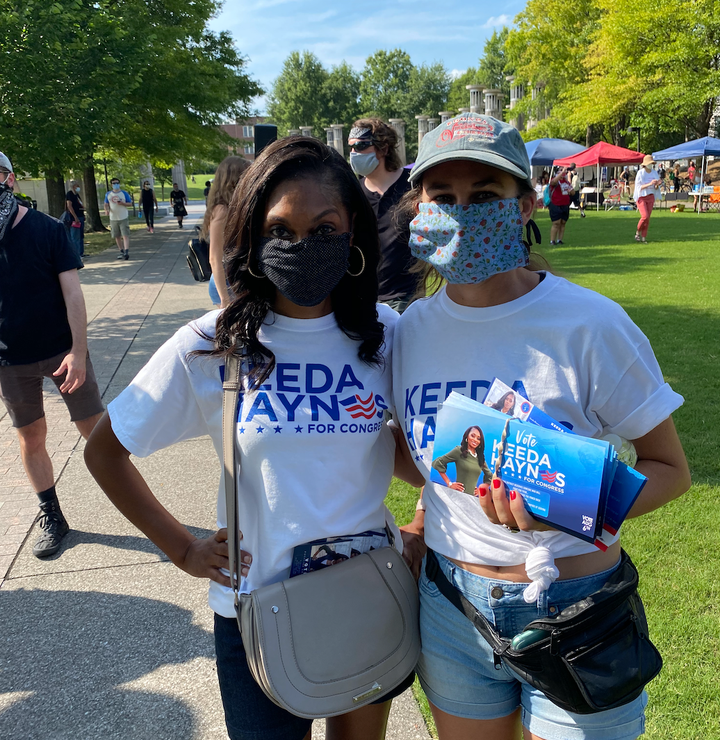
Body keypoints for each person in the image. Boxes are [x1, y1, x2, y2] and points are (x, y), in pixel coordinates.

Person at [84, 137, 424, 740]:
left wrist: (422, 520)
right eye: (280, 229)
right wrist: (182, 548)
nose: (302, 245)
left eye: (324, 228)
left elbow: (420, 452)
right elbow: (105, 450)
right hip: (254, 611)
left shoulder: (385, 333)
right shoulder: (212, 344)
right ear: (252, 236)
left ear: (353, 236)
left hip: (367, 590)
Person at [392, 113, 691, 740]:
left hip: (578, 609)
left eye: (484, 197)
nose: (462, 212)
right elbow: (424, 457)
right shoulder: (409, 331)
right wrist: (425, 515)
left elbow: (670, 471)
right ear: (419, 207)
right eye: (443, 198)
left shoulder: (590, 324)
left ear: (525, 203)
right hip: (451, 605)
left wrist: (570, 502)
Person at [0, 152, 104, 558]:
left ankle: (131, 499)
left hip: (63, 350)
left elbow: (73, 293)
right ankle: (52, 514)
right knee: (31, 436)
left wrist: (79, 352)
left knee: (94, 430)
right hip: (10, 359)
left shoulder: (47, 230)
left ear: (10, 180)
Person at [348, 118, 417, 313]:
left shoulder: (413, 188)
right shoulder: (353, 194)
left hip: (406, 298)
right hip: (364, 298)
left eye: (361, 146)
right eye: (351, 148)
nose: (354, 154)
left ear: (384, 148)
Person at [202, 155, 251, 308]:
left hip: (238, 281)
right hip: (227, 285)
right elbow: (215, 258)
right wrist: (225, 298)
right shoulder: (222, 210)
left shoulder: (237, 206)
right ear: (234, 179)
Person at [432, 426, 491, 495]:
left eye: (478, 438)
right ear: (467, 437)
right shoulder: (459, 451)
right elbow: (438, 463)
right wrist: (449, 483)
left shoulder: (480, 458)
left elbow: (490, 476)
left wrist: (481, 489)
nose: (475, 440)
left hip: (471, 499)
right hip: (458, 495)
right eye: (472, 436)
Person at [633, 155, 661, 243]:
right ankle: (637, 232)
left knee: (648, 218)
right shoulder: (640, 173)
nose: (650, 165)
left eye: (652, 163)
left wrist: (657, 184)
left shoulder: (654, 173)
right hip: (641, 197)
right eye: (649, 163)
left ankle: (644, 237)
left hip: (651, 196)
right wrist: (650, 183)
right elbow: (638, 187)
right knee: (644, 216)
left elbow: (656, 187)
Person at [104, 177, 132, 260]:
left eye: (117, 183)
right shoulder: (108, 194)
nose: (115, 185)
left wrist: (123, 203)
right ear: (111, 185)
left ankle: (126, 251)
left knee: (125, 235)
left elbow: (130, 204)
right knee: (117, 236)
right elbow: (106, 203)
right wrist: (106, 210)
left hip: (123, 217)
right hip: (113, 218)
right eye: (114, 183)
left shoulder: (124, 193)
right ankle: (121, 250)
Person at [547, 163, 574, 245]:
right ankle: (552, 240)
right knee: (556, 223)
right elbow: (553, 182)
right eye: (560, 171)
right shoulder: (555, 181)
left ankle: (560, 239)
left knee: (563, 223)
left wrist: (571, 191)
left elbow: (573, 192)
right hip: (556, 204)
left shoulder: (566, 182)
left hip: (565, 205)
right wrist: (562, 171)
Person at [65, 179, 85, 258]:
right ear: (74, 187)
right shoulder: (70, 194)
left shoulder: (77, 194)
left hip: (80, 215)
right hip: (74, 218)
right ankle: (75, 254)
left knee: (80, 235)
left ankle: (81, 252)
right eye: (77, 186)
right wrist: (75, 217)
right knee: (75, 236)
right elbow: (69, 206)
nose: (78, 187)